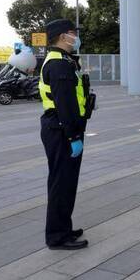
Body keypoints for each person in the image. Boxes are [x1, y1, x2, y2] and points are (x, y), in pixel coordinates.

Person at [39, 19, 95, 250]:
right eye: (73, 33)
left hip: (61, 129)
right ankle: (57, 237)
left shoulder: (62, 61)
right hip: (62, 131)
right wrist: (73, 137)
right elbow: (65, 105)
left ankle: (63, 227)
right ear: (63, 36)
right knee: (61, 184)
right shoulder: (60, 64)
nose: (76, 37)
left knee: (65, 183)